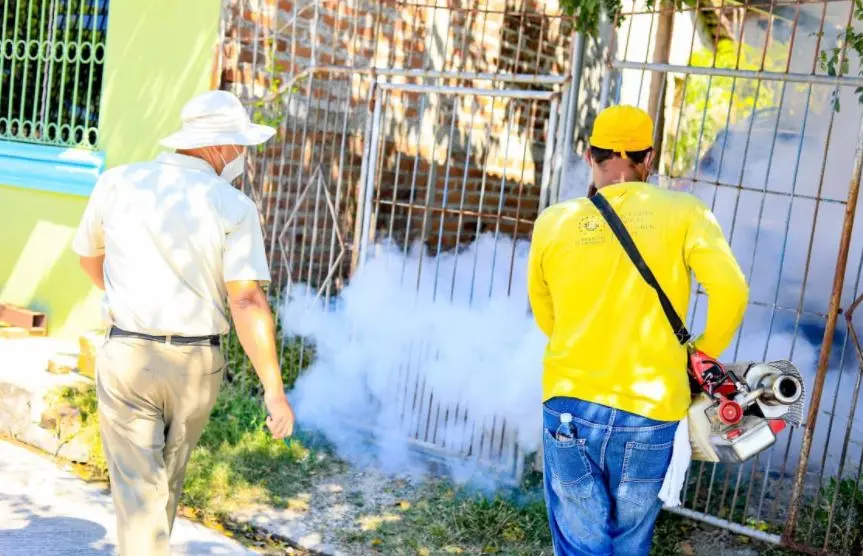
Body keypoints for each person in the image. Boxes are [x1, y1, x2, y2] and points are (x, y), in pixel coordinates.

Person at [72, 90, 296, 556]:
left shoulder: (117, 183)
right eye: (239, 145)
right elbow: (248, 300)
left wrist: (123, 293)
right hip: (197, 365)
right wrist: (273, 390)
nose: (241, 155)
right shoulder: (233, 206)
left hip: (130, 355)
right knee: (161, 488)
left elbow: (89, 256)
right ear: (217, 146)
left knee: (144, 493)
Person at [527, 104, 749, 555]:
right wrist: (699, 353)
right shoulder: (686, 211)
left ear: (591, 156)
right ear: (649, 158)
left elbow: (546, 314)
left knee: (579, 543)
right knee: (630, 541)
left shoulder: (554, 221)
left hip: (570, 400)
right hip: (650, 411)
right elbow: (731, 291)